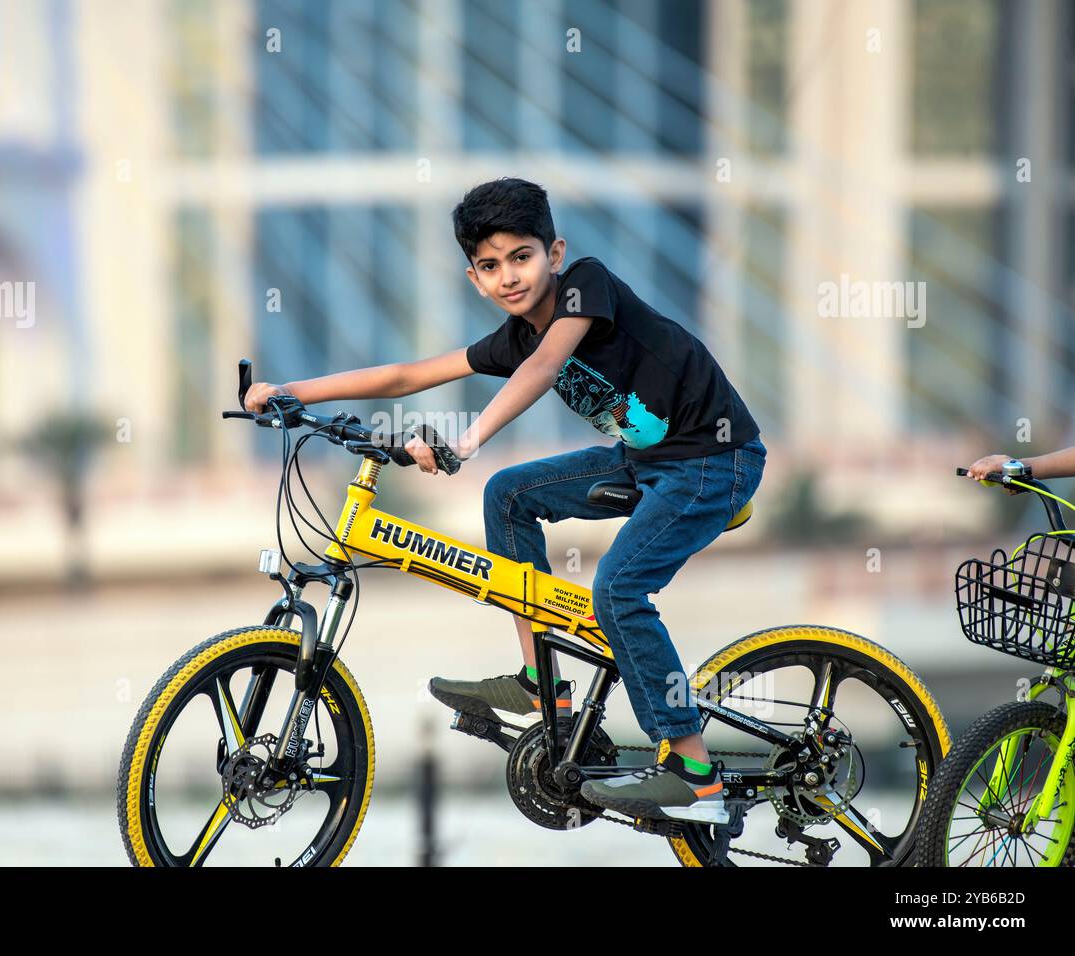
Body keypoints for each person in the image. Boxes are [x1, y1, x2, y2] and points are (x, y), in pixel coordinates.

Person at [245, 177, 766, 824]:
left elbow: (545, 368)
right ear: (475, 280)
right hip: (645, 462)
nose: (509, 277)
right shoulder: (512, 338)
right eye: (490, 267)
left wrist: (467, 440)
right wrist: (289, 391)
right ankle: (544, 685)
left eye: (522, 256)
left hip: (714, 461)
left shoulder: (586, 285)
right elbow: (408, 375)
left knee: (618, 592)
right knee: (510, 495)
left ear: (555, 251)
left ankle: (695, 775)